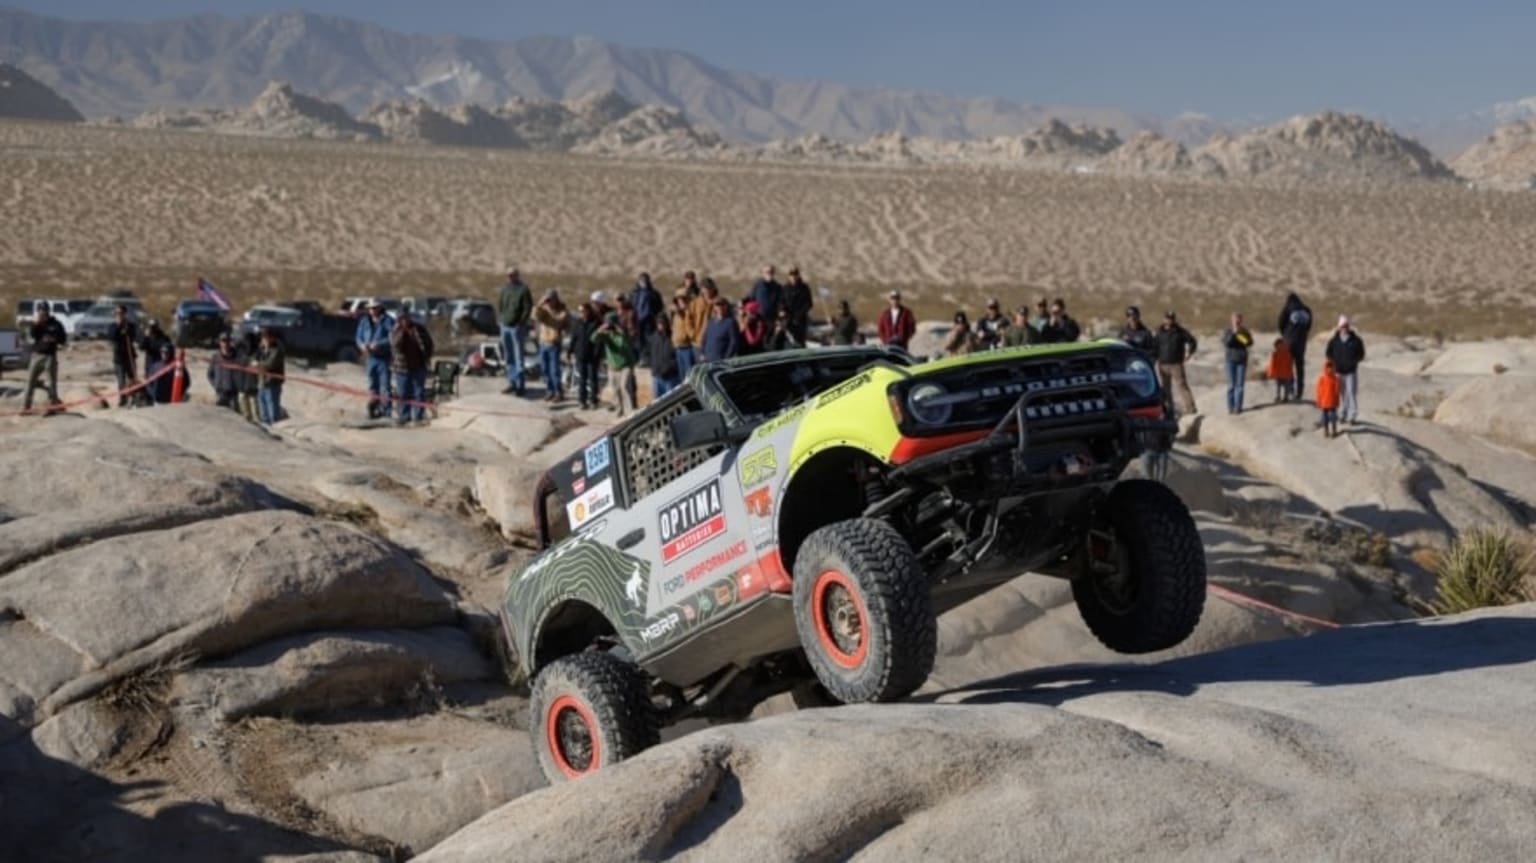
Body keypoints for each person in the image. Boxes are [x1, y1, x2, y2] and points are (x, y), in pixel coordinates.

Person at [390, 309, 435, 424]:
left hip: (418, 366)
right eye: (401, 319)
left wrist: (427, 357)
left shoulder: (419, 329)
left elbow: (429, 343)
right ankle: (404, 417)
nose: (404, 320)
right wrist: (402, 333)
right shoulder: (395, 331)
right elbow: (394, 345)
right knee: (403, 393)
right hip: (402, 368)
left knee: (419, 393)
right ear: (398, 320)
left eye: (406, 318)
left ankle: (418, 417)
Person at [23, 306, 66, 415]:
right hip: (37, 355)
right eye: (40, 311)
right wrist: (37, 323)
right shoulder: (37, 324)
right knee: (30, 382)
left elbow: (63, 339)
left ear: (48, 312)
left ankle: (52, 407)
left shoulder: (56, 324)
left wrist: (54, 339)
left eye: (44, 311)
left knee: (51, 382)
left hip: (50, 356)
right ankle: (26, 407)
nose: (42, 313)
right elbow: (32, 334)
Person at [593, 312, 637, 417]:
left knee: (624, 387)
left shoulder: (623, 333)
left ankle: (629, 410)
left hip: (625, 365)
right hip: (613, 366)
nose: (610, 325)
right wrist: (601, 329)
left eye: (611, 322)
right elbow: (593, 339)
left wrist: (617, 330)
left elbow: (622, 344)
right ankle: (619, 408)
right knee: (615, 388)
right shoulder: (606, 334)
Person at [355, 298, 394, 418]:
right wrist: (362, 345)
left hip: (383, 358)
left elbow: (393, 338)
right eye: (370, 308)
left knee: (384, 387)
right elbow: (358, 336)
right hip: (370, 358)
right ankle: (374, 410)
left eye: (375, 307)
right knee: (372, 385)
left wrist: (379, 344)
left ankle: (386, 412)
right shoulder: (364, 321)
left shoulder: (388, 321)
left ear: (380, 308)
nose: (372, 310)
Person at [497, 268, 533, 395]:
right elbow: (500, 305)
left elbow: (527, 307)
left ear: (517, 275)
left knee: (518, 356)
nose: (510, 277)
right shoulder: (505, 289)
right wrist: (501, 319)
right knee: (508, 355)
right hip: (505, 326)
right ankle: (511, 382)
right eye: (508, 275)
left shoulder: (523, 289)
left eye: (512, 275)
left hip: (516, 327)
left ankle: (520, 384)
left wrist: (521, 322)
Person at [1155, 310, 1198, 415]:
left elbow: (1192, 341)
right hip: (1163, 364)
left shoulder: (1180, 332)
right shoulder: (1159, 332)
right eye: (1168, 318)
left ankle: (1191, 408)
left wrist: (1190, 353)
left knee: (1182, 386)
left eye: (1172, 318)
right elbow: (1155, 346)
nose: (1170, 320)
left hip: (1176, 364)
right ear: (1164, 319)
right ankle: (1169, 410)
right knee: (1165, 388)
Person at [1325, 315, 1366, 425]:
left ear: (1349, 327)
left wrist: (1354, 362)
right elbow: (1328, 353)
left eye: (1346, 326)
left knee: (1351, 393)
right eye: (1343, 326)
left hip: (1351, 371)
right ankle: (1342, 413)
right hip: (1338, 371)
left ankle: (1352, 415)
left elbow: (1361, 354)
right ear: (1339, 327)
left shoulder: (1356, 340)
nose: (1345, 328)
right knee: (1341, 393)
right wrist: (1333, 363)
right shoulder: (1334, 341)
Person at [533, 288, 569, 402]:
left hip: (554, 343)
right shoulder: (544, 309)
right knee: (545, 369)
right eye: (547, 300)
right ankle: (550, 390)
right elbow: (534, 316)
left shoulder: (561, 310)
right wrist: (539, 305)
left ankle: (558, 392)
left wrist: (550, 311)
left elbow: (558, 322)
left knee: (554, 370)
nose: (548, 302)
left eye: (550, 300)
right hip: (543, 341)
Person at [1277, 292, 1313, 400]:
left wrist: (1285, 334)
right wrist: (1303, 333)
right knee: (1300, 367)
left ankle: (1290, 389)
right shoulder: (1307, 310)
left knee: (1289, 366)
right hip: (1301, 342)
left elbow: (1280, 323)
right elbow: (1309, 325)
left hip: (1289, 341)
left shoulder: (1287, 308)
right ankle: (1300, 391)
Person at [568, 302, 602, 410]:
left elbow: (599, 341)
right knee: (582, 379)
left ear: (588, 311)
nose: (581, 313)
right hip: (580, 355)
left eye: (583, 311)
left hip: (592, 356)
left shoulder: (595, 323)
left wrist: (597, 354)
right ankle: (582, 401)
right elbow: (574, 338)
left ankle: (593, 400)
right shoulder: (577, 323)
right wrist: (570, 351)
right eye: (580, 311)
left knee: (593, 379)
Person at [1220, 312, 1254, 415]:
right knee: (1231, 385)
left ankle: (1238, 408)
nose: (1237, 321)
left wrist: (1240, 335)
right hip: (1230, 360)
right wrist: (1234, 334)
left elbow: (1249, 343)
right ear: (1232, 320)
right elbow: (1227, 343)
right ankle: (1230, 407)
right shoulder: (1228, 331)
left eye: (1239, 319)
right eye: (1235, 319)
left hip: (1241, 361)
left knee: (1240, 386)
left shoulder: (1244, 331)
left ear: (1241, 321)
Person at [106, 304, 140, 407]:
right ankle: (123, 399)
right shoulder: (112, 326)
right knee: (121, 381)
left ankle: (134, 397)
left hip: (129, 356)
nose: (119, 315)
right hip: (119, 357)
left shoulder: (130, 325)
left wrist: (127, 331)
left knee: (132, 379)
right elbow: (112, 337)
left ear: (125, 314)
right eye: (117, 313)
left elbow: (134, 336)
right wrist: (118, 326)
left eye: (121, 313)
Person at [254, 326, 286, 426]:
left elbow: (269, 364)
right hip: (262, 382)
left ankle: (276, 431)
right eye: (262, 336)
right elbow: (254, 359)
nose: (264, 339)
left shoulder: (277, 349)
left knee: (273, 412)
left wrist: (257, 364)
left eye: (266, 336)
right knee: (263, 413)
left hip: (272, 384)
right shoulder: (262, 348)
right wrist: (261, 350)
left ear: (272, 337)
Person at [140, 321, 175, 405]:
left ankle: (161, 401)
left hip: (162, 365)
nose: (152, 329)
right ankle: (150, 402)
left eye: (153, 327)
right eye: (150, 327)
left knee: (161, 385)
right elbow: (141, 347)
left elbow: (169, 348)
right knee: (149, 385)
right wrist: (146, 337)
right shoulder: (148, 337)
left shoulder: (163, 337)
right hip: (150, 365)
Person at [647, 315, 681, 399]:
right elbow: (650, 354)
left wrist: (667, 368)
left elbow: (677, 357)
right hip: (656, 376)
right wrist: (653, 367)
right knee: (657, 402)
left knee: (671, 400)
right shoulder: (653, 338)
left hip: (670, 377)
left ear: (667, 324)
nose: (661, 325)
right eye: (659, 323)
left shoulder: (673, 337)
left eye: (663, 323)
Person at [670, 288, 701, 376]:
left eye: (683, 299)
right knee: (682, 375)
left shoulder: (690, 312)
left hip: (688, 348)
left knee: (690, 375)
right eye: (679, 299)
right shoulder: (675, 314)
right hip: (678, 347)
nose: (681, 301)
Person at [208, 332, 242, 410]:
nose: (226, 344)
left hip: (233, 394)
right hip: (220, 393)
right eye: (223, 341)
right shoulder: (215, 357)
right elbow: (210, 374)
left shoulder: (237, 357)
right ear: (220, 343)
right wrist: (215, 384)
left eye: (228, 341)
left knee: (234, 417)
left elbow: (241, 373)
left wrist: (237, 385)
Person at [629, 273, 663, 350]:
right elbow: (630, 305)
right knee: (638, 339)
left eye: (645, 280)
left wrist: (653, 314)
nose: (644, 282)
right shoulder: (634, 293)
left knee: (649, 338)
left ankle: (649, 355)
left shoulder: (654, 293)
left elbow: (660, 306)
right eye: (642, 280)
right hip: (637, 319)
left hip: (649, 319)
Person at [702, 298, 741, 362]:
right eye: (717, 305)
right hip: (708, 359)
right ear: (714, 307)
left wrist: (727, 357)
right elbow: (704, 339)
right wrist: (702, 353)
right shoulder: (710, 322)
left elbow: (734, 342)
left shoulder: (730, 322)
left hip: (721, 360)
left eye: (722, 305)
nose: (720, 307)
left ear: (726, 307)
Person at [783, 267, 814, 345]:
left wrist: (799, 315)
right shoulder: (785, 288)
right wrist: (785, 312)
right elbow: (782, 303)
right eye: (791, 275)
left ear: (798, 275)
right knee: (789, 341)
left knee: (801, 341)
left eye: (795, 274)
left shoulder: (804, 288)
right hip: (788, 320)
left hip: (801, 320)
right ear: (788, 276)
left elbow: (809, 303)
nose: (793, 277)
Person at [235, 331, 260, 422]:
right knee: (245, 415)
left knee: (255, 413)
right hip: (242, 385)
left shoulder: (257, 353)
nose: (248, 343)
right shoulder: (239, 351)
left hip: (252, 386)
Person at [1316, 359, 1341, 438]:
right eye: (1328, 367)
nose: (1330, 369)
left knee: (1333, 417)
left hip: (1332, 402)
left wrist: (1337, 401)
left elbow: (1337, 391)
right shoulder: (1322, 379)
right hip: (1324, 402)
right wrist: (1319, 401)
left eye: (1331, 367)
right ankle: (1326, 430)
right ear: (1325, 368)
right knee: (1326, 418)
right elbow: (1318, 391)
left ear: (1334, 368)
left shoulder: (1336, 379)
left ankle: (1334, 430)